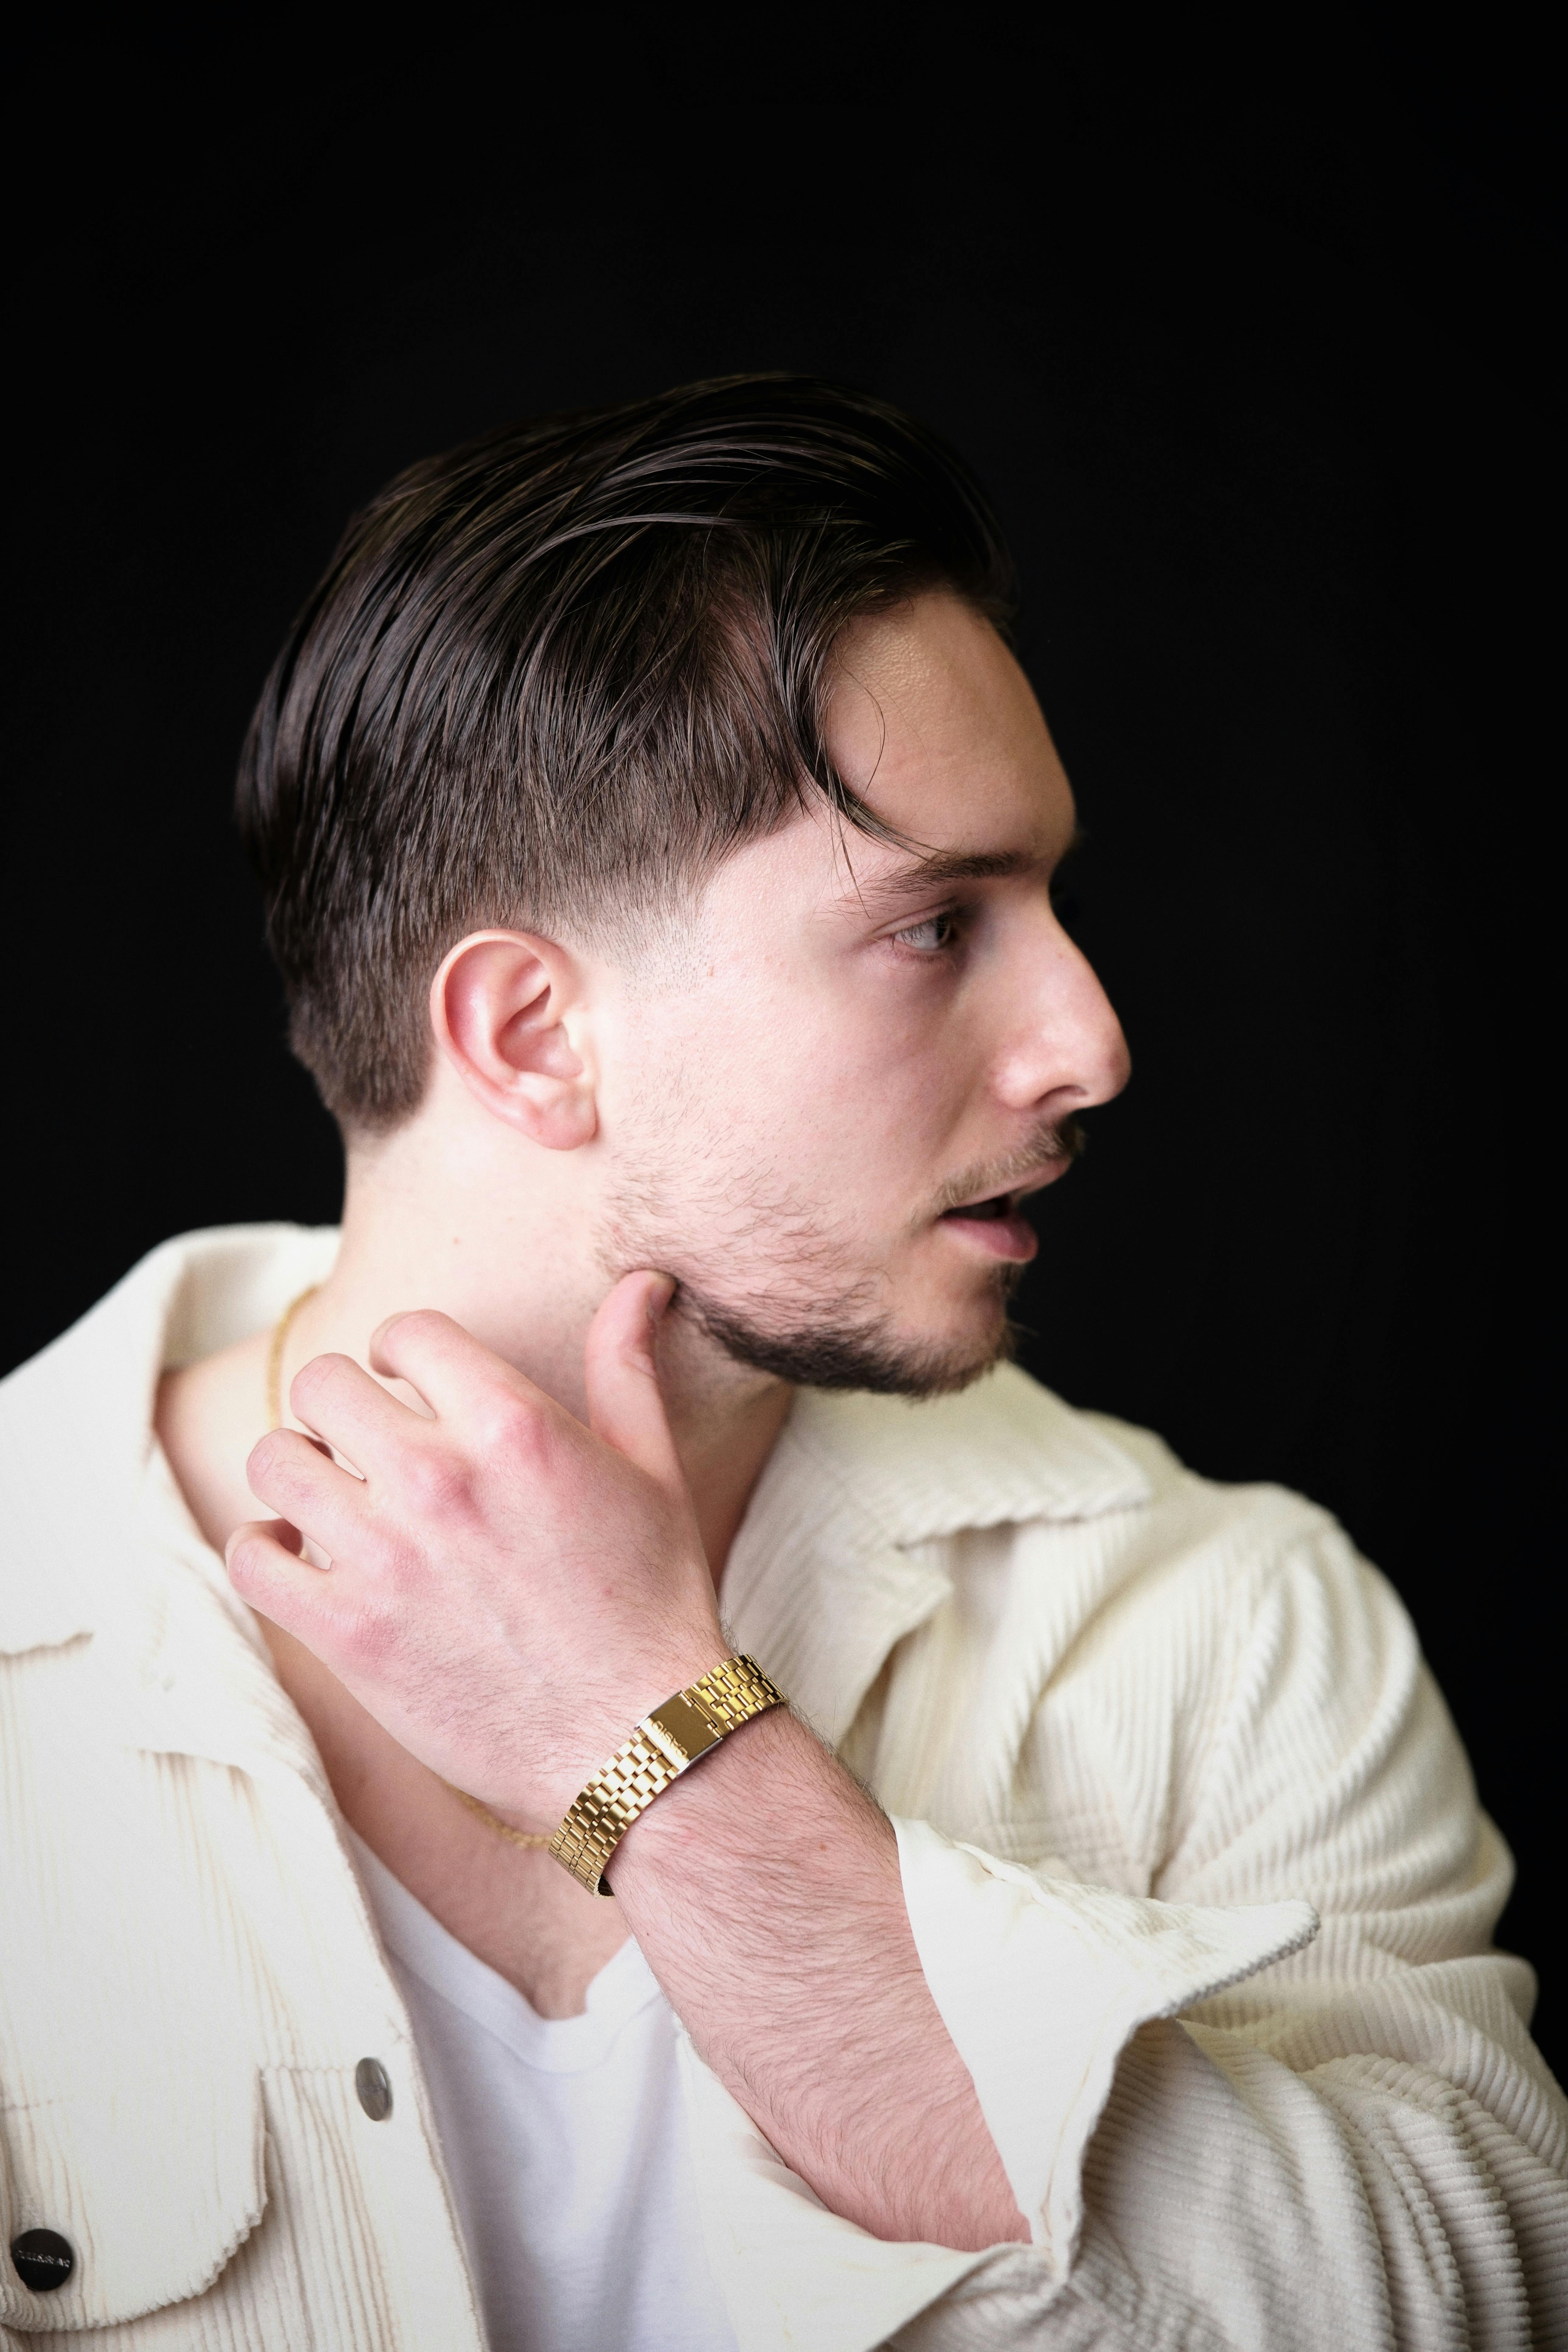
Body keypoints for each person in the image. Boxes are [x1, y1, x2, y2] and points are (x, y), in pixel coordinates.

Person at [1, 376, 1561, 2352]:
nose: (1090, 1042)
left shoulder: (1225, 1625)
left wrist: (646, 1745)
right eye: (934, 927)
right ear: (533, 1034)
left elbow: (1483, 2304)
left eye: (1052, 905)